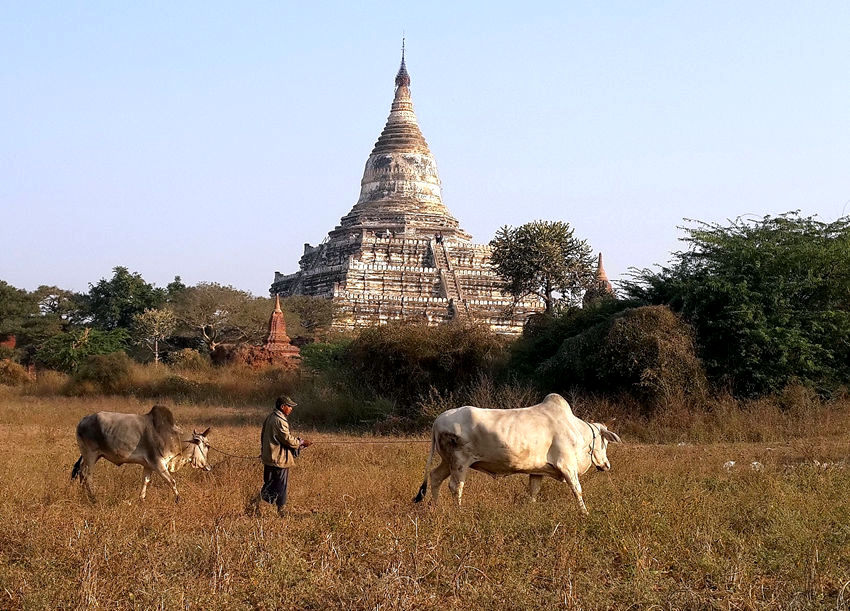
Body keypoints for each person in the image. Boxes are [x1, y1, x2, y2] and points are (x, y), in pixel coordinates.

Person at [255, 395, 311, 516]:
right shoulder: (279, 420)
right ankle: (281, 511)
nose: (291, 409)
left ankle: (257, 504)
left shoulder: (270, 417)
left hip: (269, 458)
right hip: (279, 459)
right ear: (282, 407)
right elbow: (287, 440)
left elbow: (264, 436)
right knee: (281, 485)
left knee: (269, 483)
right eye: (289, 406)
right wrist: (301, 442)